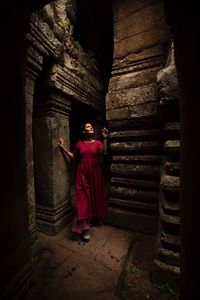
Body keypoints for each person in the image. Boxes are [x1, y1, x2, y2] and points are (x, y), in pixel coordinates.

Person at [57, 123, 109, 241]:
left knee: (95, 196)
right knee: (82, 198)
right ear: (84, 131)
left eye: (92, 127)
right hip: (82, 173)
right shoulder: (80, 144)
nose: (91, 128)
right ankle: (84, 227)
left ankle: (93, 218)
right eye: (88, 127)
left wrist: (105, 138)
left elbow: (103, 152)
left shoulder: (98, 143)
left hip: (95, 173)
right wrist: (63, 148)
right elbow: (73, 156)